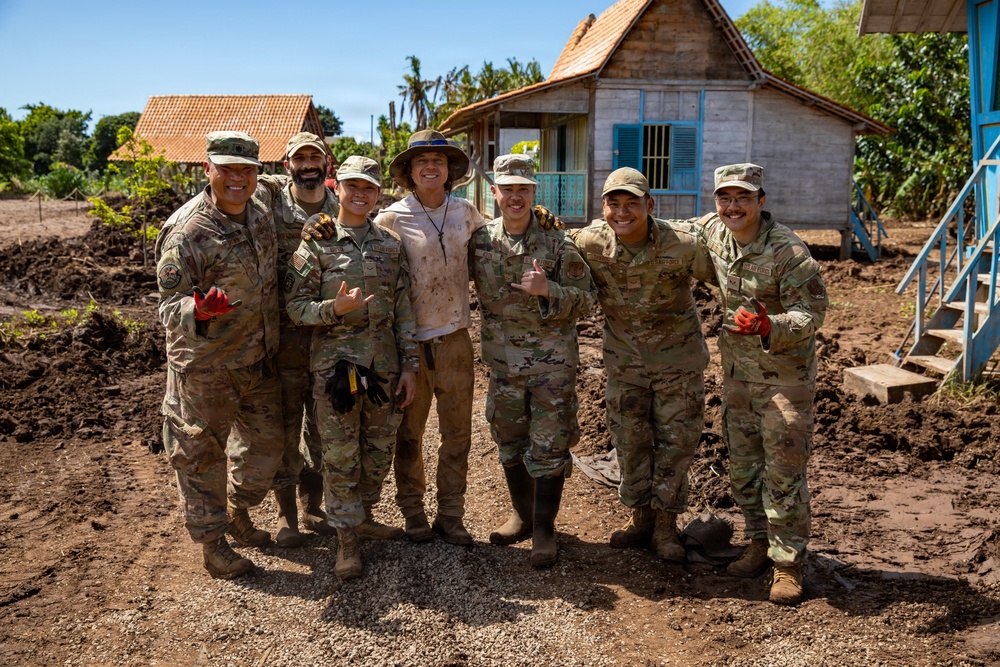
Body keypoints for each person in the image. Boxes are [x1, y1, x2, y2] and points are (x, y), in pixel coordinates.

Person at [302, 130, 562, 545]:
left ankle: (451, 514)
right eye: (421, 161)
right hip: (409, 347)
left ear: (449, 170)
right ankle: (413, 512)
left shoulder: (466, 213)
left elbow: (504, 232)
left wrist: (541, 215)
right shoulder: (391, 219)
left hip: (455, 340)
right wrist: (319, 222)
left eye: (438, 161)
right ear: (408, 171)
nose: (430, 167)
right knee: (409, 435)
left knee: (458, 435)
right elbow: (353, 237)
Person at [696, 163, 828, 605]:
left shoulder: (789, 252)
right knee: (745, 469)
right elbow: (666, 229)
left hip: (783, 383)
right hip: (738, 378)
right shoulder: (714, 231)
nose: (733, 206)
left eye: (743, 198)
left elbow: (812, 313)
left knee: (783, 474)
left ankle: (788, 564)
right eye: (725, 197)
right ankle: (758, 544)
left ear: (761, 201)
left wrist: (772, 326)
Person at [154, 131, 283, 579]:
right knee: (201, 455)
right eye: (227, 169)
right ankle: (213, 546)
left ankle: (237, 511)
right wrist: (198, 310)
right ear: (207, 168)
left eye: (246, 170)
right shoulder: (187, 231)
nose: (237, 178)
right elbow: (167, 307)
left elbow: (297, 184)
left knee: (269, 447)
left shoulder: (260, 208)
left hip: (257, 357)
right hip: (205, 367)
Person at [286, 156, 418, 580]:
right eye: (352, 185)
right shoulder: (317, 243)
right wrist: (333, 309)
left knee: (377, 453)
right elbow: (295, 307)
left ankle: (362, 517)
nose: (360, 194)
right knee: (341, 455)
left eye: (369, 188)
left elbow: (403, 310)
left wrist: (410, 366)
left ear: (378, 194)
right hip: (337, 369)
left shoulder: (390, 245)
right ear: (336, 187)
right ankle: (346, 540)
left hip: (383, 368)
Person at [571, 167, 710, 563]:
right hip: (626, 366)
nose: (622, 212)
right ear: (603, 207)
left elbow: (728, 275)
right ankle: (641, 518)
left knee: (675, 446)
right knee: (629, 444)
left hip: (677, 365)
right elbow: (554, 247)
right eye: (613, 204)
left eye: (632, 203)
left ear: (649, 205)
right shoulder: (589, 242)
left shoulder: (682, 245)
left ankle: (666, 526)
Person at [470, 154, 594, 567]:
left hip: (550, 368)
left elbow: (587, 300)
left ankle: (544, 529)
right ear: (494, 192)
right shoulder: (480, 241)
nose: (515, 196)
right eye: (507, 188)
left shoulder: (558, 243)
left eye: (523, 188)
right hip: (503, 366)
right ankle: (522, 517)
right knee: (509, 441)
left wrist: (548, 291)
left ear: (534, 192)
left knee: (549, 445)